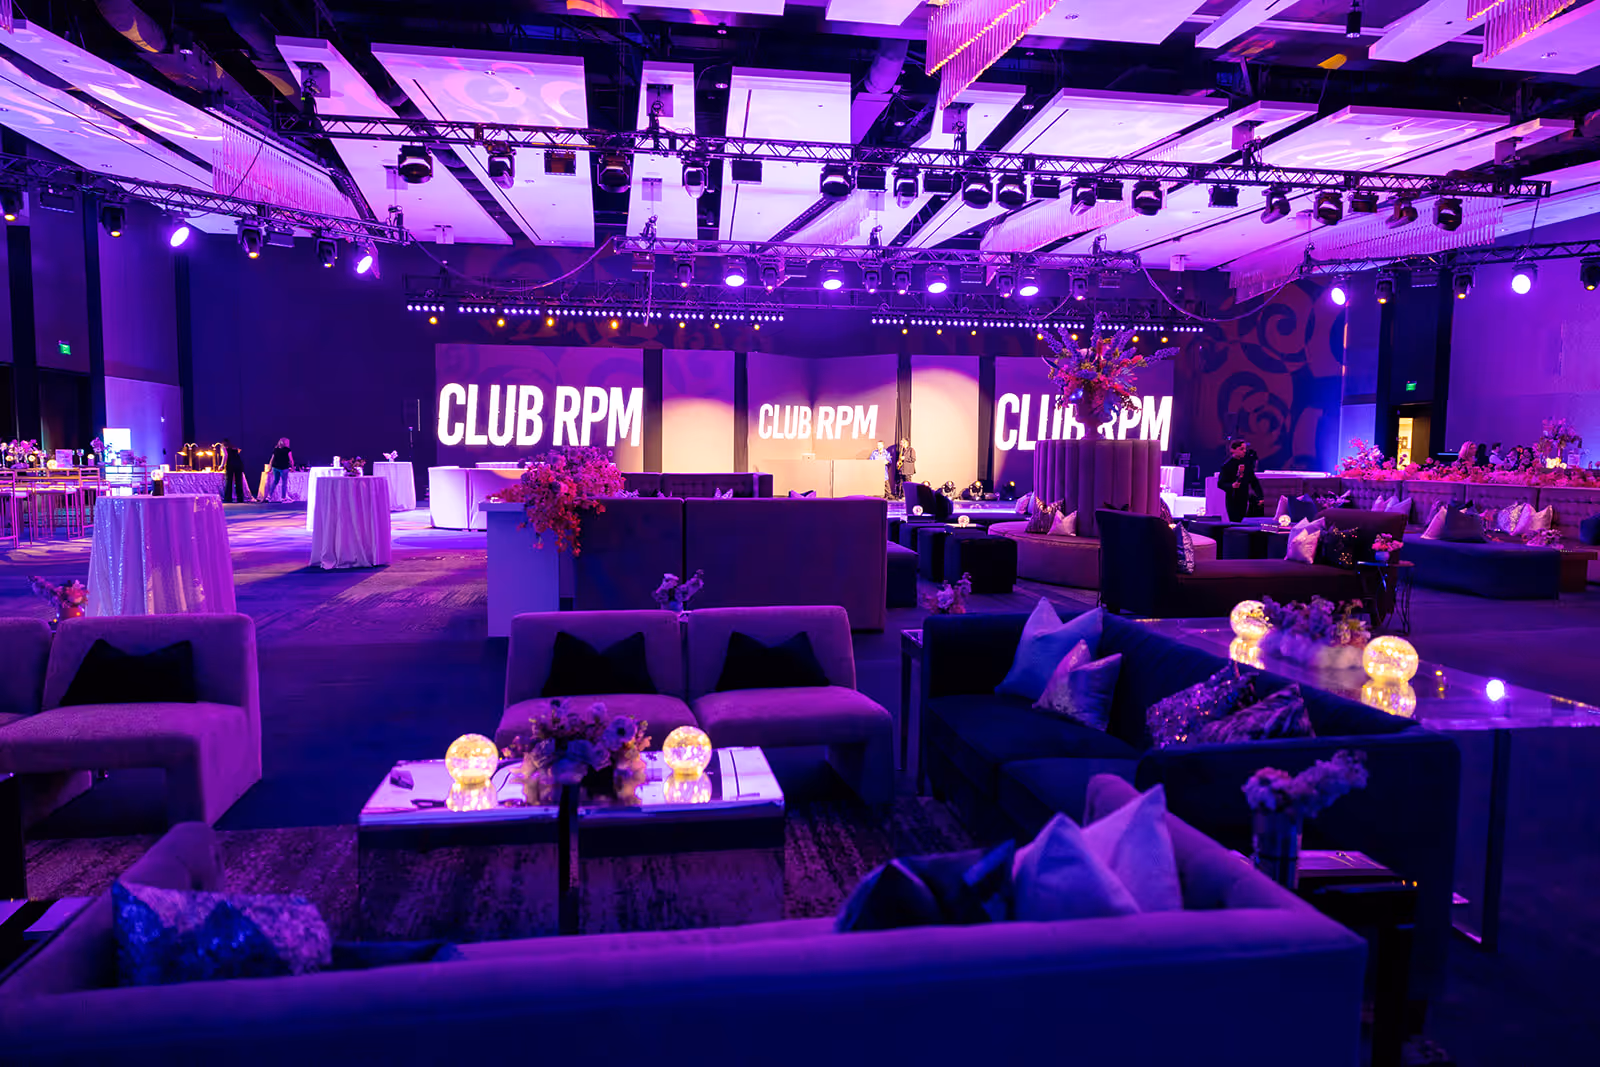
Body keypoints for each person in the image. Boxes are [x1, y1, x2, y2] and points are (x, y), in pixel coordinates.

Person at [1220, 438, 1262, 522]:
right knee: (1234, 520)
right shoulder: (1227, 466)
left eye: (1245, 449)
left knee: (1242, 519)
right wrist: (1232, 485)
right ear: (1233, 450)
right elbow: (1220, 483)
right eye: (1241, 449)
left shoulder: (1247, 464)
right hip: (1232, 499)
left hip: (1244, 498)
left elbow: (1254, 481)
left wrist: (1260, 496)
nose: (1244, 451)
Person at [221, 438, 249, 503]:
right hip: (239, 464)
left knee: (229, 482)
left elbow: (225, 456)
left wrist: (222, 465)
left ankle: (228, 498)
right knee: (239, 482)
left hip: (230, 465)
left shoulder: (224, 448)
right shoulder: (234, 448)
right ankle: (240, 498)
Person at [266, 437, 294, 502]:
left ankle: (269, 496)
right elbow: (291, 460)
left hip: (275, 467)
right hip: (284, 468)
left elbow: (272, 459)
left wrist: (270, 468)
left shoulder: (276, 449)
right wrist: (292, 467)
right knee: (284, 483)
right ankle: (283, 498)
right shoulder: (288, 450)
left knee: (275, 481)